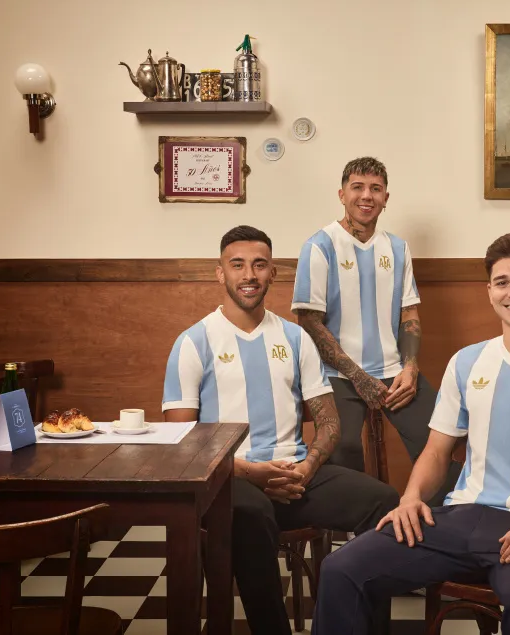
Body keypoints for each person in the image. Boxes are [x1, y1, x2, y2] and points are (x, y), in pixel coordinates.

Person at [312, 232, 510, 635]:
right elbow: (436, 451)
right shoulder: (467, 361)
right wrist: (411, 498)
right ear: (490, 291)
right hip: (462, 517)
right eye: (502, 282)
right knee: (342, 569)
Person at [163, 225, 399, 635]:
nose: (249, 274)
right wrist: (250, 473)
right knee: (253, 515)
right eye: (237, 265)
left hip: (295, 473)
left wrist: (307, 467)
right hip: (230, 478)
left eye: (259, 265)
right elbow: (183, 443)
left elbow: (328, 421)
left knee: (384, 502)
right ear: (220, 273)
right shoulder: (193, 341)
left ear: (273, 272)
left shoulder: (295, 338)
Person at [292, 156, 461, 504]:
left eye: (375, 189)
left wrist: (410, 368)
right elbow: (308, 321)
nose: (366, 196)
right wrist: (358, 376)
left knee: (444, 436)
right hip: (336, 375)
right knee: (344, 448)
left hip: (393, 372)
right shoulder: (319, 245)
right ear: (342, 194)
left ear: (386, 198)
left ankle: (440, 521)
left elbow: (409, 312)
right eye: (357, 187)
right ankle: (357, 537)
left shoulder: (397, 248)